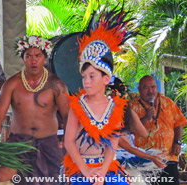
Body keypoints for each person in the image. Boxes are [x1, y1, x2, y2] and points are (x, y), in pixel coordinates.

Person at [63, 6, 139, 185]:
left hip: (107, 168)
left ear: (106, 79)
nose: (86, 81)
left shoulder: (115, 106)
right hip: (82, 168)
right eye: (84, 77)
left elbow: (112, 144)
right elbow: (69, 142)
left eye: (92, 76)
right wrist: (87, 170)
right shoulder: (77, 105)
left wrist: (102, 172)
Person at [0, 35, 69, 185]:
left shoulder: (56, 84)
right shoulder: (12, 84)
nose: (33, 60)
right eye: (29, 56)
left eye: (38, 55)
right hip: (19, 142)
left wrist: (66, 140)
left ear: (45, 58)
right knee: (0, 176)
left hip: (48, 143)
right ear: (23, 58)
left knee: (52, 180)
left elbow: (68, 116)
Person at [130, 75, 187, 185]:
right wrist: (146, 117)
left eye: (153, 87)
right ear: (139, 89)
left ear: (157, 87)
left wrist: (177, 142)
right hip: (144, 160)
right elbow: (131, 130)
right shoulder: (133, 106)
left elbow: (179, 123)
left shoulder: (168, 103)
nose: (150, 90)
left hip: (168, 158)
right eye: (146, 87)